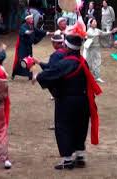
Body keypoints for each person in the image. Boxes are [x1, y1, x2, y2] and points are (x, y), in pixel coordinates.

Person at [35, 34, 102, 170]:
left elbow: (48, 75)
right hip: (83, 101)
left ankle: (67, 159)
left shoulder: (66, 63)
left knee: (64, 128)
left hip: (67, 101)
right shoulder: (83, 61)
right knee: (80, 127)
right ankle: (80, 155)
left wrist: (37, 76)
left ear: (67, 47)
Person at [12, 14, 54, 80]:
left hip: (28, 47)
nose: (32, 20)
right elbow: (24, 31)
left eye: (32, 18)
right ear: (27, 20)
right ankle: (15, 73)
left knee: (30, 60)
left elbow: (39, 31)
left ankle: (30, 75)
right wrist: (28, 32)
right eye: (31, 18)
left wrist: (48, 33)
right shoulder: (23, 26)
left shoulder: (32, 27)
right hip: (22, 47)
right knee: (21, 61)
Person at [84, 18, 117, 83]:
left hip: (97, 48)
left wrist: (111, 32)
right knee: (90, 63)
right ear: (90, 24)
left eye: (95, 21)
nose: (95, 23)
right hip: (91, 49)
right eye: (93, 22)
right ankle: (88, 76)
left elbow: (104, 33)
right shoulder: (89, 31)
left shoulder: (97, 30)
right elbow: (88, 35)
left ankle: (97, 77)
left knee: (97, 62)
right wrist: (97, 34)